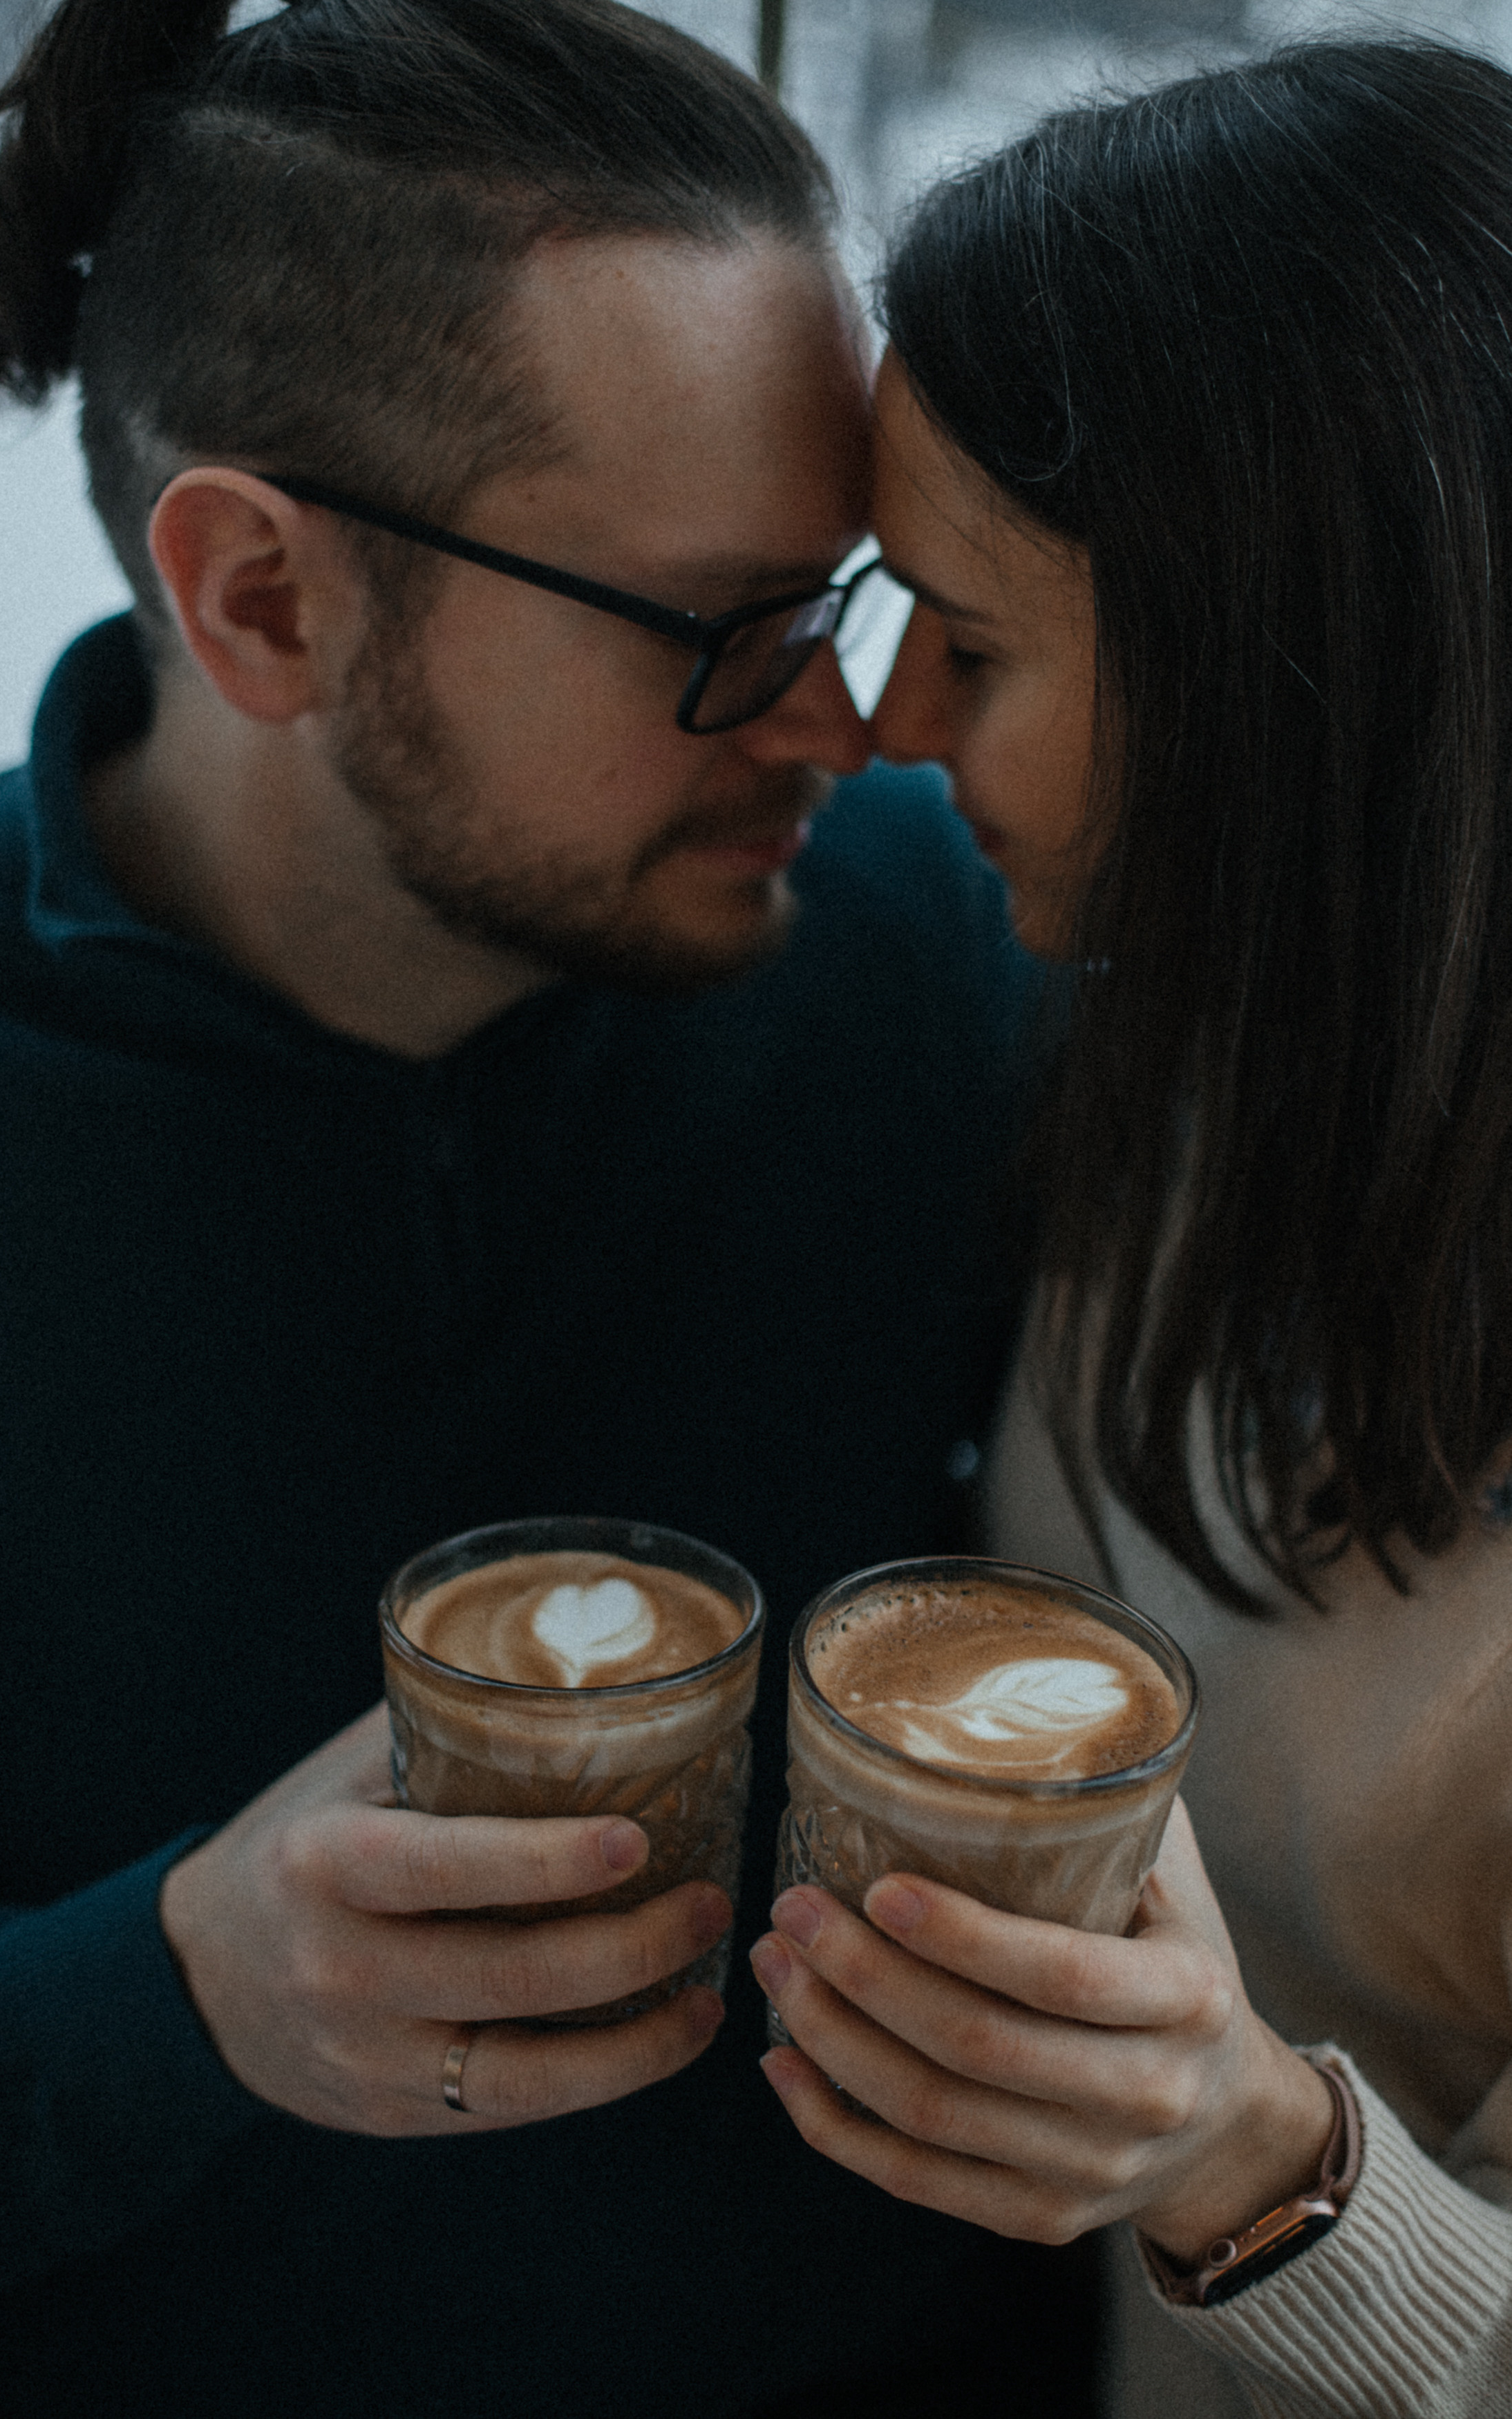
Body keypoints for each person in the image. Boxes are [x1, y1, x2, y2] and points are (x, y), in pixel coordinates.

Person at [0, 2, 1082, 2414]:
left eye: (844, 597)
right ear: (262, 602)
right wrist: (178, 1990)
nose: (847, 731)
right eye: (720, 631)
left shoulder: (917, 945)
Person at [746, 37, 1512, 2419]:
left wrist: (1253, 2157)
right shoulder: (1178, 1044)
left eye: (969, 645)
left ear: (1291, 686)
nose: (879, 735)